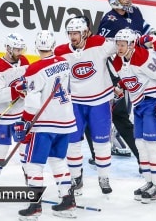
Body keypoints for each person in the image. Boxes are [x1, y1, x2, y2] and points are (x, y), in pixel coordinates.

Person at [88, 0, 156, 167]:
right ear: (115, 0)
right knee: (116, 115)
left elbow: (144, 28)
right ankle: (139, 161)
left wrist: (154, 35)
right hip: (111, 72)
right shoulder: (109, 20)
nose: (128, 0)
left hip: (132, 70)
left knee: (121, 115)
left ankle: (141, 159)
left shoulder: (135, 11)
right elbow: (100, 49)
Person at [15, 30, 77, 220]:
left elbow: (33, 102)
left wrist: (25, 121)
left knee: (33, 164)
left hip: (45, 124)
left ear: (36, 46)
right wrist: (27, 84)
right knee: (58, 160)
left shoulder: (33, 69)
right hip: (65, 120)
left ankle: (35, 206)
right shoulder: (64, 62)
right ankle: (68, 201)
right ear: (52, 46)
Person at [54, 17, 117, 195]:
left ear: (84, 33)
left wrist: (143, 40)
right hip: (74, 103)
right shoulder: (61, 51)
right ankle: (76, 178)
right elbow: (49, 70)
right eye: (70, 33)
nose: (73, 37)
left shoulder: (98, 43)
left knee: (102, 143)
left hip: (100, 102)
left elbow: (122, 44)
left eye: (76, 33)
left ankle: (103, 177)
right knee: (72, 142)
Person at [113, 28, 156, 203]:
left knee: (153, 146)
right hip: (138, 105)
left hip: (153, 103)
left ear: (131, 44)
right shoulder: (118, 61)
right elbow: (132, 79)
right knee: (140, 144)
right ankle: (150, 182)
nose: (119, 47)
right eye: (118, 44)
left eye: (123, 44)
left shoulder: (144, 57)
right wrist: (120, 88)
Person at [0, 33, 30, 186]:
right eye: (17, 49)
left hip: (21, 115)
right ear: (8, 48)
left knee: (26, 149)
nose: (20, 53)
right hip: (1, 116)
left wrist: (28, 90)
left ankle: (30, 178)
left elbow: (29, 82)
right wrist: (17, 91)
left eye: (21, 49)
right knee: (0, 150)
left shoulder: (24, 61)